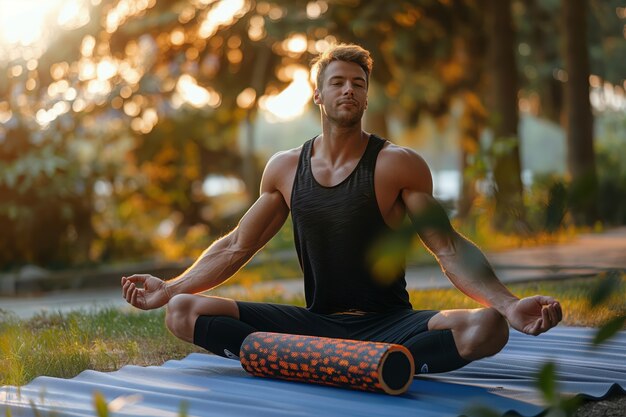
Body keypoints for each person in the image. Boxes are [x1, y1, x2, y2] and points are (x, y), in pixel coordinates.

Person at [121, 43, 562, 374]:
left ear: (367, 98)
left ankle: (327, 362)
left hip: (389, 325)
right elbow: (236, 245)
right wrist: (172, 286)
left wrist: (506, 304)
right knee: (182, 312)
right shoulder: (284, 169)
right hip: (315, 324)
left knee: (488, 329)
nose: (349, 89)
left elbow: (447, 247)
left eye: (358, 83)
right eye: (337, 82)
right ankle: (357, 364)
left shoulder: (396, 165)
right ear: (318, 96)